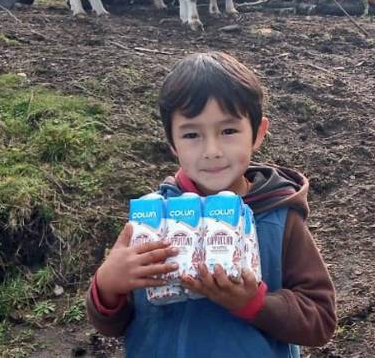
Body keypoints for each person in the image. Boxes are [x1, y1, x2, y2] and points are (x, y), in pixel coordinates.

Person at [86, 52, 337, 356]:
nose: (212, 150)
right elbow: (113, 323)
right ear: (172, 143)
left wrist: (254, 304)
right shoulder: (153, 221)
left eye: (228, 131)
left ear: (257, 134)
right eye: (192, 134)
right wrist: (108, 285)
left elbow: (320, 319)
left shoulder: (278, 217)